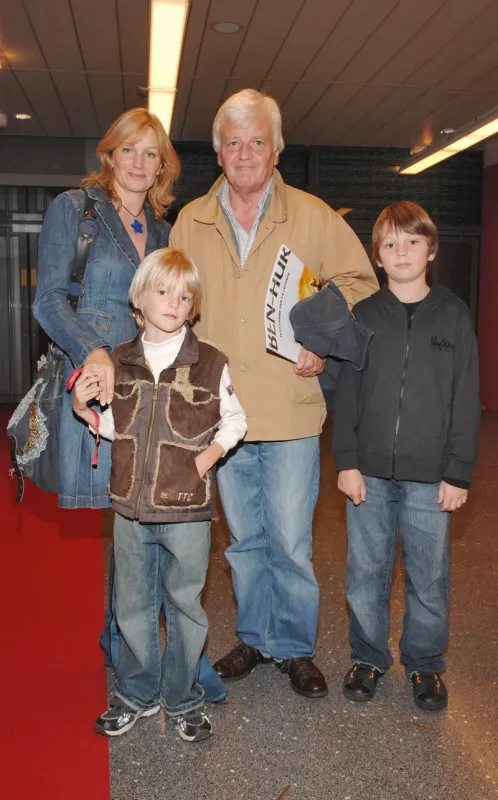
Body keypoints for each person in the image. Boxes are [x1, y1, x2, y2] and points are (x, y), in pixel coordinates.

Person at [170, 89, 378, 698]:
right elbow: (172, 301)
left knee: (289, 539)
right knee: (244, 540)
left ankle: (294, 647)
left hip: (290, 406)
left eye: (256, 140)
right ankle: (257, 638)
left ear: (277, 148)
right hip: (221, 414)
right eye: (232, 142)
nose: (244, 153)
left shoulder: (313, 215)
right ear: (217, 153)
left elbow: (361, 282)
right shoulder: (191, 220)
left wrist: (323, 339)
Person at [33, 107, 226, 701]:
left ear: (163, 165)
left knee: (153, 513)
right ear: (109, 155)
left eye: (153, 154)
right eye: (129, 151)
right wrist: (97, 352)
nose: (141, 163)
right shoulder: (74, 210)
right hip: (99, 387)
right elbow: (47, 301)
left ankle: (163, 650)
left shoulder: (164, 233)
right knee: (129, 517)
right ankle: (131, 646)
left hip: (157, 395)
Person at [72, 248, 247, 740]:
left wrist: (204, 460)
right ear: (139, 297)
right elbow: (114, 426)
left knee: (185, 605)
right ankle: (137, 694)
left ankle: (184, 698)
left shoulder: (209, 361)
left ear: (194, 307)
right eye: (163, 291)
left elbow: (236, 420)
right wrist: (87, 411)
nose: (173, 302)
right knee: (132, 603)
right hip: (129, 507)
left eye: (184, 295)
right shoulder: (119, 362)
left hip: (188, 510)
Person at [333, 200, 480, 711]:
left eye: (412, 241)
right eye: (390, 243)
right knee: (366, 572)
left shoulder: (454, 317)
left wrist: (458, 472)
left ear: (431, 250)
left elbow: (466, 399)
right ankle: (368, 656)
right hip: (368, 475)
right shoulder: (364, 316)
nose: (401, 251)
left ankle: (425, 665)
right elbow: (346, 394)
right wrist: (346, 462)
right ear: (376, 256)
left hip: (429, 476)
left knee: (428, 577)